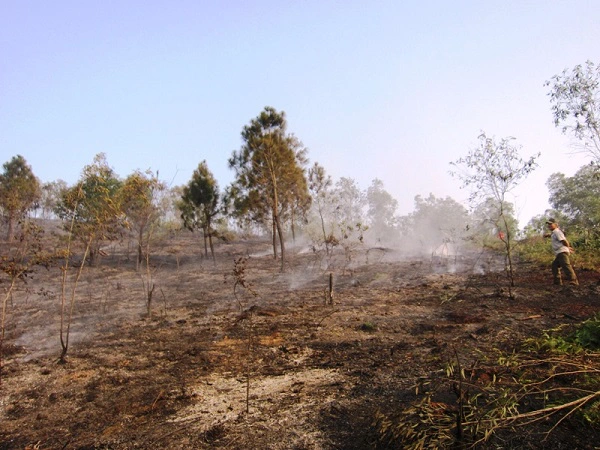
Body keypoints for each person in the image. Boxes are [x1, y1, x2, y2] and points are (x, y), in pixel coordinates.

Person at [546, 218, 578, 286]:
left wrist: (568, 247)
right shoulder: (554, 232)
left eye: (551, 224)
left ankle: (574, 281)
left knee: (566, 266)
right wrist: (548, 235)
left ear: (556, 224)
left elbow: (564, 241)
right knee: (554, 266)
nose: (549, 226)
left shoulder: (557, 232)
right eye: (548, 224)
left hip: (562, 252)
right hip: (559, 252)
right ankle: (557, 282)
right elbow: (553, 236)